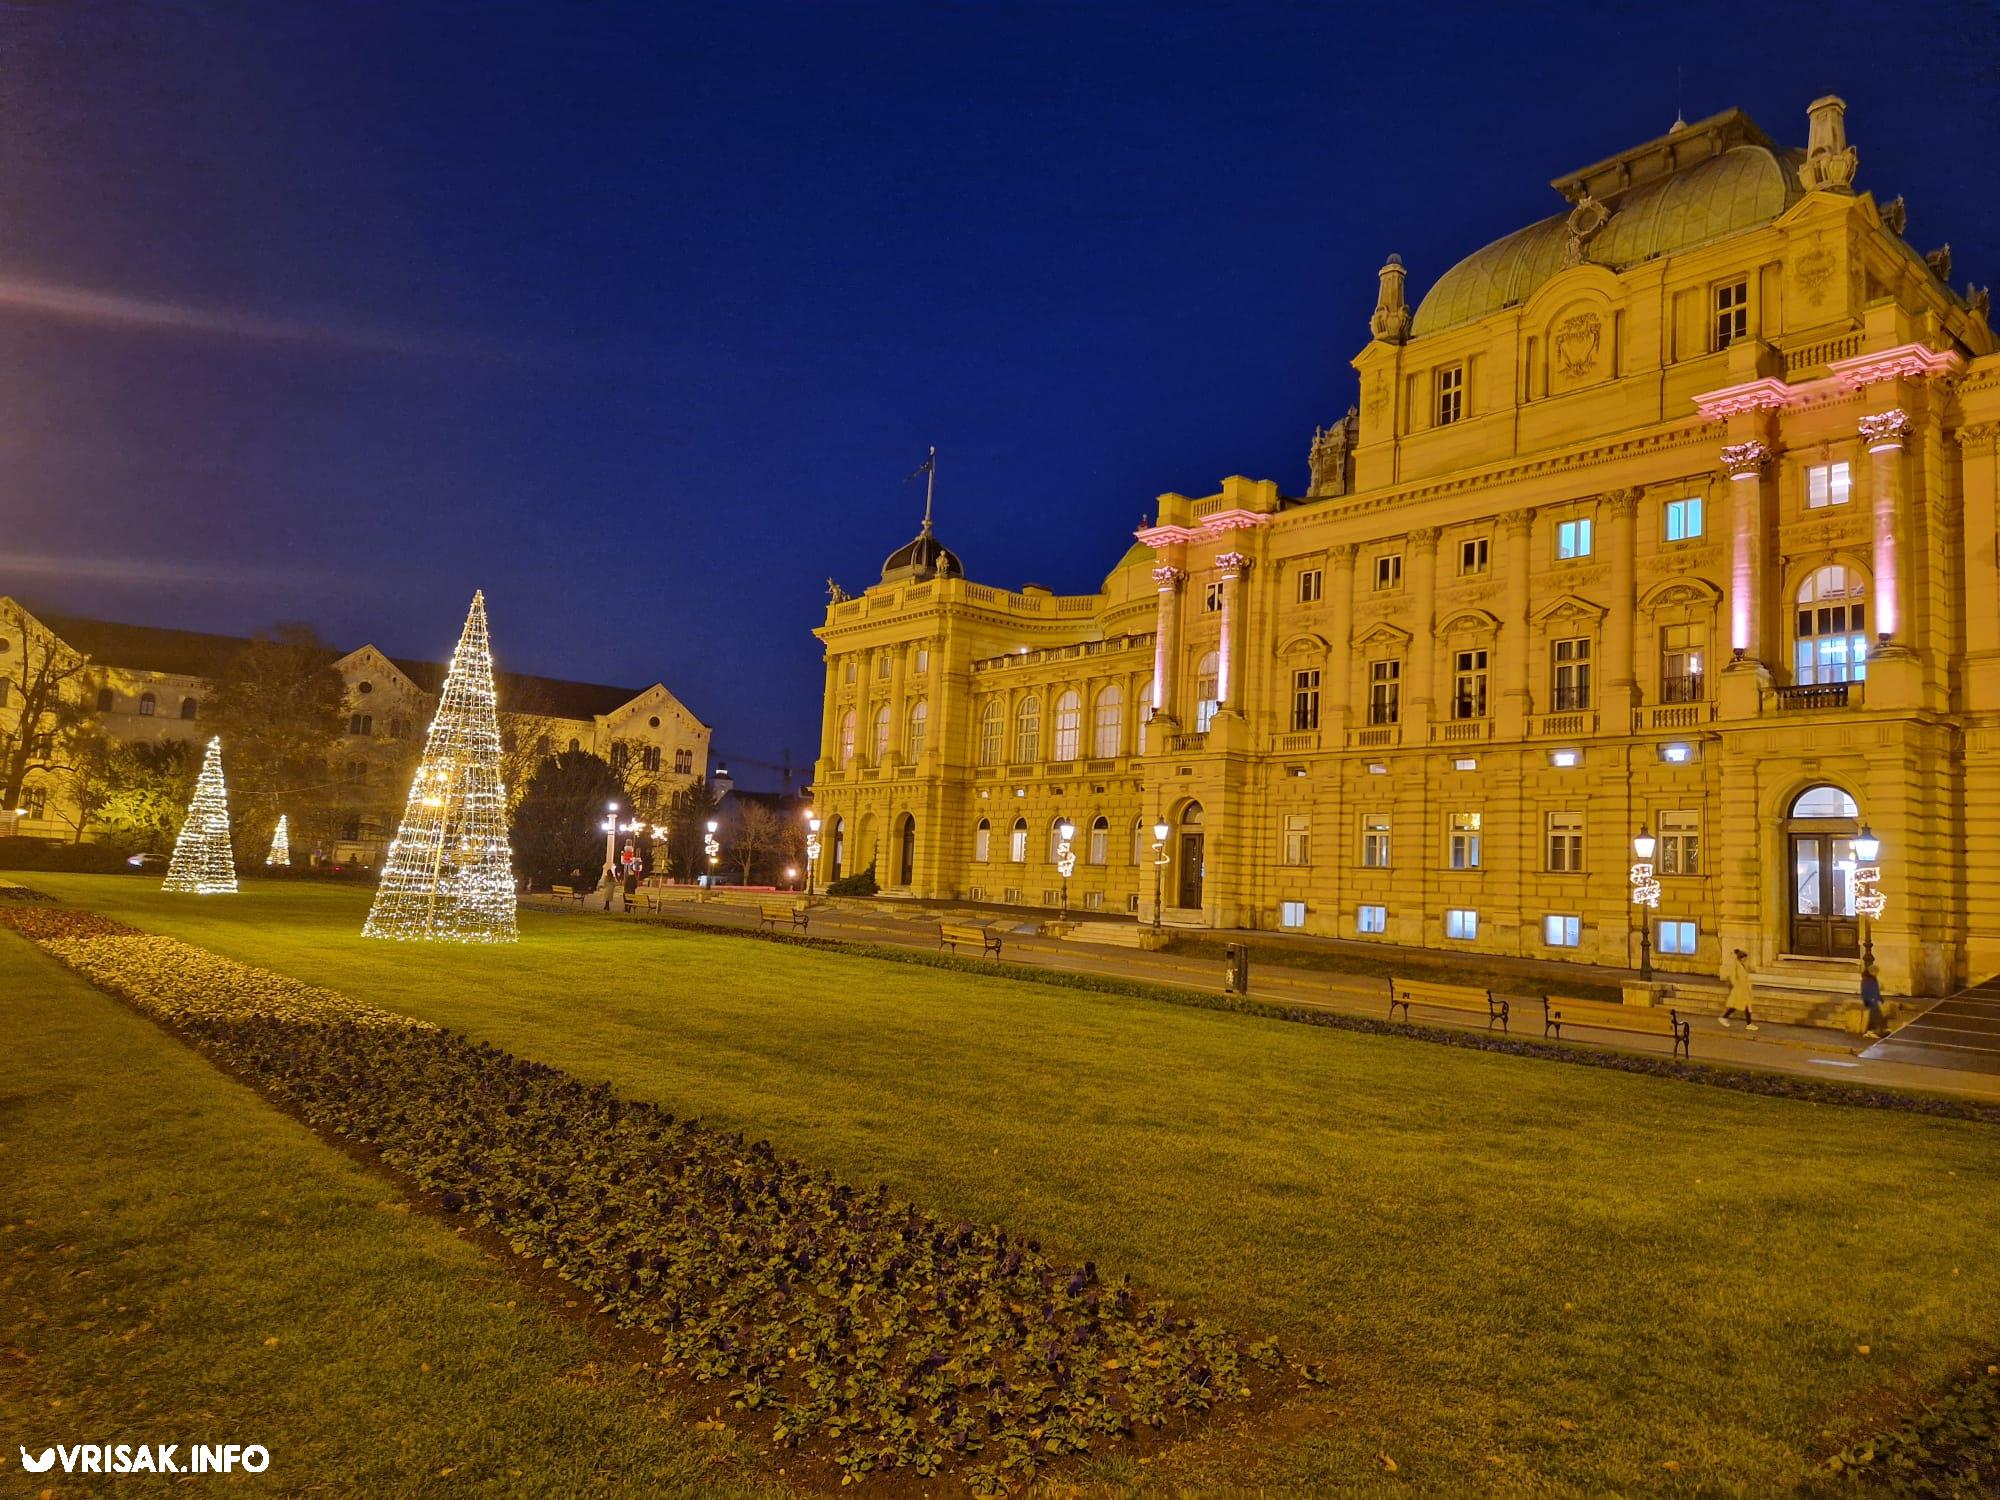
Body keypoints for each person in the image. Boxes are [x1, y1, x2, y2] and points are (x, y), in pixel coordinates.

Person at [1721, 946, 1759, 1031]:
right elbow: (1733, 977)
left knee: (1745, 1006)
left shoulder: (1741, 965)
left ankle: (1748, 1023)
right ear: (1741, 958)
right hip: (1739, 989)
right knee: (1738, 1005)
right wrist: (1736, 985)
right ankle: (1724, 1017)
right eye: (1744, 958)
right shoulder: (1736, 965)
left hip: (1743, 989)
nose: (1745, 960)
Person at [1860, 963, 1886, 1038]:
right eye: (1875, 972)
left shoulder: (1873, 979)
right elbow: (1865, 991)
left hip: (1873, 1000)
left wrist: (1880, 998)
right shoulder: (1866, 979)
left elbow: (1876, 990)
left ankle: (1871, 1030)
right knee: (1877, 1015)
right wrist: (1867, 1000)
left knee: (1874, 1015)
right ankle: (1878, 1029)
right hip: (1870, 1000)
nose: (1876, 974)